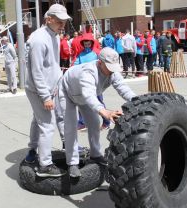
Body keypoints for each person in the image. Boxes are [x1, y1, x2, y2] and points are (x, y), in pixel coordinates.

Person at [57, 47, 137, 177]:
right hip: (67, 93)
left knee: (94, 124)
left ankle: (95, 155)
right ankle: (72, 163)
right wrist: (104, 111)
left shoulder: (113, 72)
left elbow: (123, 88)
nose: (112, 71)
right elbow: (89, 95)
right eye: (109, 67)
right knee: (71, 127)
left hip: (86, 97)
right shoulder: (88, 72)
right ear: (100, 63)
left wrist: (138, 101)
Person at [24, 3, 71, 177]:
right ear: (48, 19)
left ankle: (32, 151)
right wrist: (45, 96)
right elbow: (36, 72)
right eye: (59, 21)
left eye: (64, 21)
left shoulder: (55, 36)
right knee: (47, 125)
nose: (63, 25)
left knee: (38, 120)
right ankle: (44, 165)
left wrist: (57, 85)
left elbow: (52, 65)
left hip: (51, 88)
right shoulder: (38, 40)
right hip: (38, 90)